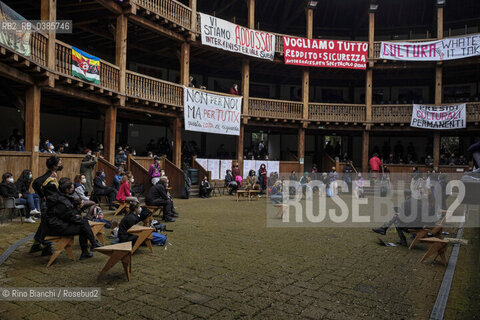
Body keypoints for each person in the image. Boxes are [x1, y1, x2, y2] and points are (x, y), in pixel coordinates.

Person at [45, 178, 99, 259]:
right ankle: (90, 246)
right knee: (83, 225)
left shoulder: (61, 197)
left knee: (83, 223)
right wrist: (79, 211)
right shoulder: (62, 201)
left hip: (57, 224)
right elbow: (69, 217)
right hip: (56, 227)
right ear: (67, 190)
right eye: (72, 189)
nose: (73, 190)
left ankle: (90, 246)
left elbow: (68, 215)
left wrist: (78, 211)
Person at [372, 190, 437, 247]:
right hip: (420, 224)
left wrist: (397, 215)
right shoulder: (418, 202)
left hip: (415, 225)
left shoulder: (406, 202)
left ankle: (401, 239)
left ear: (405, 195)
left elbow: (403, 218)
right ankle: (383, 229)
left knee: (396, 220)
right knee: (397, 218)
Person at [30, 156, 63, 255]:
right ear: (55, 166)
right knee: (47, 224)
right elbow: (35, 183)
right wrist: (42, 195)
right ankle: (47, 246)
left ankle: (36, 245)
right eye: (59, 162)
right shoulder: (50, 174)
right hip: (46, 204)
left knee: (43, 224)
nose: (61, 163)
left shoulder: (53, 174)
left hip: (48, 203)